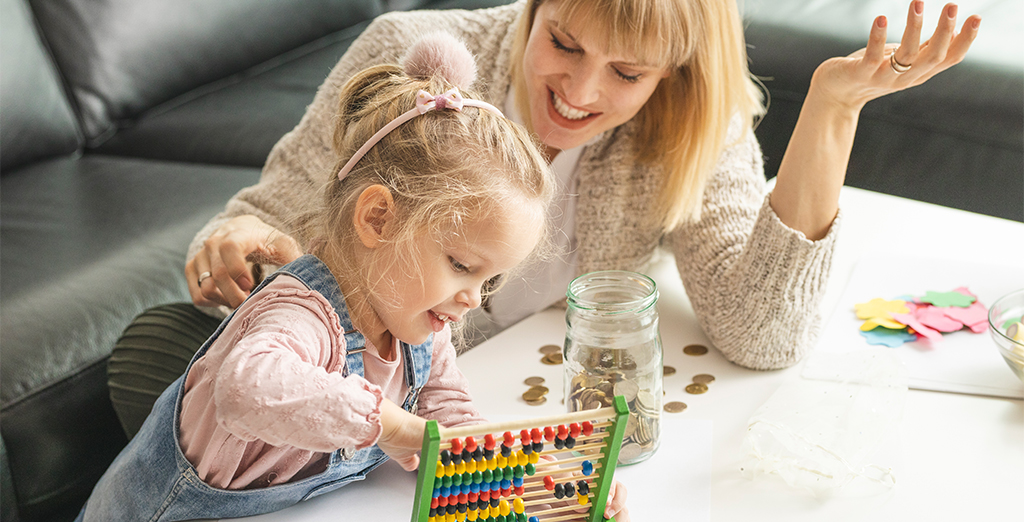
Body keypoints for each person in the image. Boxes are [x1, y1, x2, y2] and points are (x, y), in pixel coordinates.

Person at [109, 0, 981, 437]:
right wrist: (241, 244)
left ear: (670, 77)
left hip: (482, 421)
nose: (581, 92)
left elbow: (761, 331)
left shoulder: (692, 126)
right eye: (562, 42)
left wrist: (832, 112)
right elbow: (270, 220)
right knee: (168, 363)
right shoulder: (406, 55)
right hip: (354, 407)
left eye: (627, 75)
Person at [80, 34, 631, 521]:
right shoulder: (300, 316)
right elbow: (246, 388)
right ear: (377, 218)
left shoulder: (423, 330)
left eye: (489, 283)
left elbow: (449, 424)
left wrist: (553, 484)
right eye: (462, 266)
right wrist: (392, 426)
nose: (472, 299)